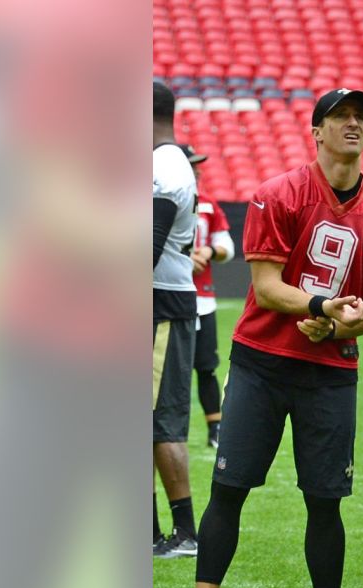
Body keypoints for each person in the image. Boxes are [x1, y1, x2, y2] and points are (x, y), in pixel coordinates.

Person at [179, 88, 363, 588]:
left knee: (325, 499)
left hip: (330, 370)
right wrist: (320, 308)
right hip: (263, 361)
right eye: (341, 117)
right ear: (317, 131)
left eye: (360, 118)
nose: (353, 125)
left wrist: (337, 329)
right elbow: (265, 287)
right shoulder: (278, 194)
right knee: (229, 490)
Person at [152, 80, 200, 559]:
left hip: (162, 304)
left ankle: (184, 532)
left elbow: (146, 249)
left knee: (162, 423)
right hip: (157, 300)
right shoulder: (167, 161)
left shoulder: (164, 166)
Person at [183, 144, 236, 450]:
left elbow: (227, 246)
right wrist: (181, 259)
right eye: (191, 164)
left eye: (198, 165)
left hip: (202, 299)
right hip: (166, 297)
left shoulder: (208, 205)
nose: (197, 170)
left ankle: (215, 428)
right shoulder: (157, 199)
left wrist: (208, 251)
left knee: (205, 366)